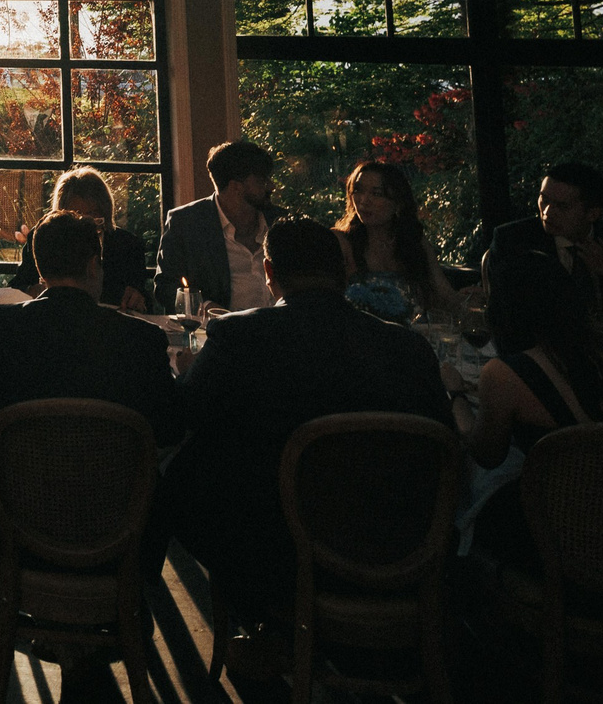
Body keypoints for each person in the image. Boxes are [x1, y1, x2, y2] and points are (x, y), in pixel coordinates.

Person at [160, 218, 452, 620]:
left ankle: (260, 621)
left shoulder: (239, 338)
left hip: (271, 549)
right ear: (345, 272)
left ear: (269, 273)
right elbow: (445, 445)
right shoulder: (407, 348)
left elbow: (184, 416)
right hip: (391, 541)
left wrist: (190, 372)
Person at [0, 211, 181, 569]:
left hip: (11, 532)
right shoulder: (142, 339)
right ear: (92, 265)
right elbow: (170, 429)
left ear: (40, 269)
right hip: (117, 539)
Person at [454, 248, 603, 567]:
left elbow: (485, 453)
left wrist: (455, 396)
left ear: (505, 311)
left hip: (553, 545)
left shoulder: (505, 375)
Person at [487, 162, 603, 323]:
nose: (547, 212)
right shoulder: (515, 240)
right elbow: (504, 315)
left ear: (592, 214)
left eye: (562, 206)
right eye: (544, 200)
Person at [156, 139, 281, 313]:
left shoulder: (280, 222)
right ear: (235, 187)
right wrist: (207, 309)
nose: (272, 186)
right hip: (218, 335)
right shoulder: (187, 223)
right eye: (261, 181)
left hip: (281, 333)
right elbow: (166, 287)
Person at [12, 167, 152, 309]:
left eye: (92, 216)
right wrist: (30, 290)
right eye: (76, 215)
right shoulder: (44, 239)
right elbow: (17, 287)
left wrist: (138, 298)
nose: (85, 224)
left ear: (105, 212)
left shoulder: (127, 245)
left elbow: (146, 300)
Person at [337, 159, 460, 319]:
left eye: (376, 193)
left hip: (414, 336)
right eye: (358, 190)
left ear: (398, 203)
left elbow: (443, 294)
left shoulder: (413, 240)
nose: (363, 200)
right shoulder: (343, 242)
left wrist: (467, 302)